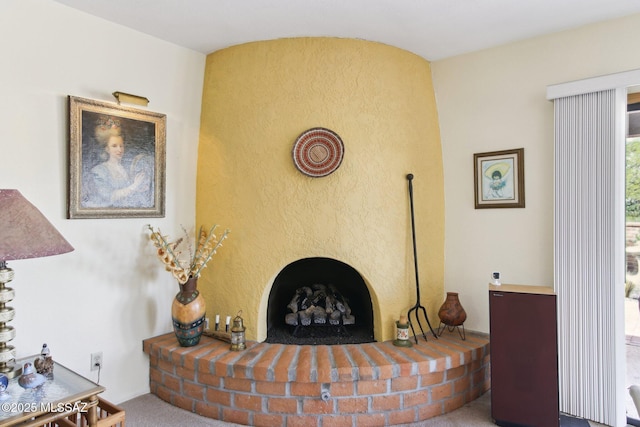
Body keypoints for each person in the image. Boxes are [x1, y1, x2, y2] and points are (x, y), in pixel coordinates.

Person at [85, 125, 153, 208]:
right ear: (107, 149)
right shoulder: (98, 171)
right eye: (114, 146)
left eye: (121, 146)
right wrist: (134, 186)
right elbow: (109, 197)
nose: (119, 150)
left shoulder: (126, 168)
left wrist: (139, 188)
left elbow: (129, 194)